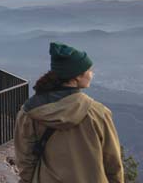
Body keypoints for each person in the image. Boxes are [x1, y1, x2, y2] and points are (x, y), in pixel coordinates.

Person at [14, 42, 124, 183]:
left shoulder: (30, 112)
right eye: (90, 70)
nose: (92, 74)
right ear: (76, 76)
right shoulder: (98, 113)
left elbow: (25, 158)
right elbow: (112, 162)